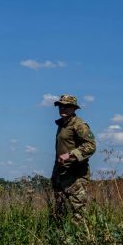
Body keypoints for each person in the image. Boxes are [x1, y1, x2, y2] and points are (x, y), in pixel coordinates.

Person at [50, 94, 96, 223]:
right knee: (60, 211)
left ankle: (83, 240)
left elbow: (91, 145)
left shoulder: (79, 125)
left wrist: (71, 154)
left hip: (76, 176)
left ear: (74, 108)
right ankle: (61, 239)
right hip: (61, 174)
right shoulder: (62, 125)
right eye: (60, 106)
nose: (62, 109)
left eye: (67, 106)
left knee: (79, 212)